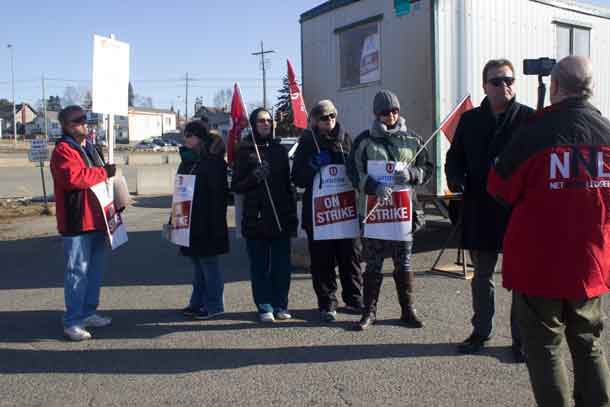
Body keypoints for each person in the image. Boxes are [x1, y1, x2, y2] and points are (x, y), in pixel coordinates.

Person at [488, 56, 610, 407]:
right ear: (590, 88)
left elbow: (498, 187)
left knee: (545, 348)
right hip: (589, 265)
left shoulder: (534, 134)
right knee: (588, 343)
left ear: (554, 87)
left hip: (539, 265)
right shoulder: (606, 134)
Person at [445, 59, 534, 359]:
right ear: (485, 86)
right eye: (497, 81)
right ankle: (481, 331)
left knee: (520, 280)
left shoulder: (529, 119)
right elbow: (453, 158)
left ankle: (521, 339)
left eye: (509, 80)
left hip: (517, 211)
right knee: (482, 277)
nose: (504, 85)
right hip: (480, 208)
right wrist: (455, 180)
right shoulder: (470, 121)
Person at [347, 90, 433, 330]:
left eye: (395, 111)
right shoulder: (364, 140)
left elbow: (427, 166)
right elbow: (353, 172)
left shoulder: (412, 139)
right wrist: (373, 186)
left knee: (403, 263)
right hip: (375, 214)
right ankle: (369, 312)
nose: (391, 116)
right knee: (373, 264)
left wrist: (412, 174)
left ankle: (408, 310)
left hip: (404, 214)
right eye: (385, 112)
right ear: (377, 115)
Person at [291, 100, 363, 322]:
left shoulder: (347, 139)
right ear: (315, 120)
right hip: (319, 213)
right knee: (322, 261)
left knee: (350, 256)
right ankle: (327, 302)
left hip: (344, 210)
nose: (329, 120)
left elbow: (359, 171)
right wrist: (312, 165)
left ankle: (353, 298)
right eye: (324, 117)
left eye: (332, 116)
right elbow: (297, 179)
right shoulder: (307, 143)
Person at [50, 105, 116, 341]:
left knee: (95, 271)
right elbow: (73, 178)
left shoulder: (91, 147)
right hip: (76, 221)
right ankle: (73, 321)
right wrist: (104, 173)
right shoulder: (63, 150)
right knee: (77, 272)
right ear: (67, 125)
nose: (84, 124)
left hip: (98, 218)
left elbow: (103, 176)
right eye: (78, 121)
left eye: (85, 120)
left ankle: (88, 312)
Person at [231, 108, 298, 323]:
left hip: (280, 217)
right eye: (261, 121)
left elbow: (288, 185)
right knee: (260, 266)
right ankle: (264, 305)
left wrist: (292, 214)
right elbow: (236, 186)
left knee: (282, 266)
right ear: (253, 124)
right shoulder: (245, 151)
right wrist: (254, 177)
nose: (266, 124)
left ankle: (280, 304)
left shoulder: (279, 150)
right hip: (256, 218)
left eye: (269, 120)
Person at [177, 120, 229, 320]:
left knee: (209, 264)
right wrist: (175, 218)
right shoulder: (188, 161)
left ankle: (214, 305)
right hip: (189, 219)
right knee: (197, 265)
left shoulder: (213, 161)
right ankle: (197, 302)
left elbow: (218, 196)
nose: (186, 138)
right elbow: (180, 191)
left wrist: (215, 224)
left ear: (200, 138)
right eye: (186, 134)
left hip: (207, 221)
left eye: (190, 135)